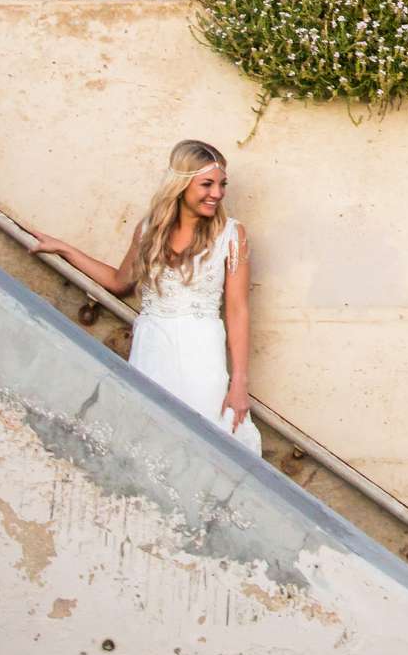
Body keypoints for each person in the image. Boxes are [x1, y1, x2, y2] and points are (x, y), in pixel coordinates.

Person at [33, 138, 262, 455]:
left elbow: (237, 310)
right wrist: (66, 249)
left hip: (202, 350)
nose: (218, 194)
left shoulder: (232, 235)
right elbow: (118, 281)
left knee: (202, 437)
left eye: (222, 185)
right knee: (146, 434)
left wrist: (239, 383)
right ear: (180, 184)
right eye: (207, 184)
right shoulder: (149, 230)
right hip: (152, 344)